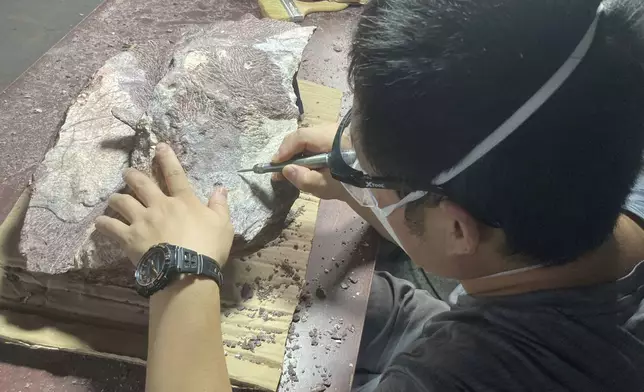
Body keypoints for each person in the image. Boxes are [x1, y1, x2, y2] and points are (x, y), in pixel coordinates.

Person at [95, 0, 644, 391]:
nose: (350, 159)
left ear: (458, 229)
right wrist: (381, 192)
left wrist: (182, 273)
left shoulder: (473, 374)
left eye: (371, 170)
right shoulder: (603, 148)